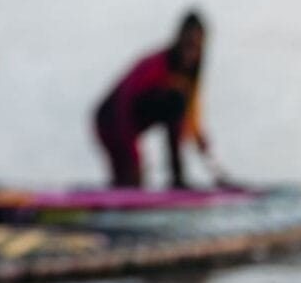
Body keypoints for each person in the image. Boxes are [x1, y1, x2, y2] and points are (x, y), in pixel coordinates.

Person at [92, 10, 218, 189]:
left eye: (197, 47)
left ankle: (175, 180)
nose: (192, 53)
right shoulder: (157, 65)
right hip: (110, 120)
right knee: (130, 180)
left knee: (126, 185)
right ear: (179, 39)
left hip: (129, 122)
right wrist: (135, 158)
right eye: (188, 45)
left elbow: (189, 114)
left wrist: (202, 145)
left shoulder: (188, 74)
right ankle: (175, 180)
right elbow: (124, 108)